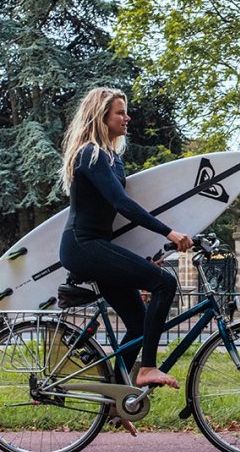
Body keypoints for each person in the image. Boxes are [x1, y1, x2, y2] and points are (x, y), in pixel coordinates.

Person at [58, 87, 193, 404]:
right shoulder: (89, 154)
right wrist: (168, 232)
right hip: (83, 245)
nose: (127, 117)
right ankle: (146, 367)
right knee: (165, 283)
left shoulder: (112, 159)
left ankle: (119, 400)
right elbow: (122, 204)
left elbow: (116, 217)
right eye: (120, 112)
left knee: (137, 322)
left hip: (96, 246)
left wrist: (145, 254)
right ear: (101, 116)